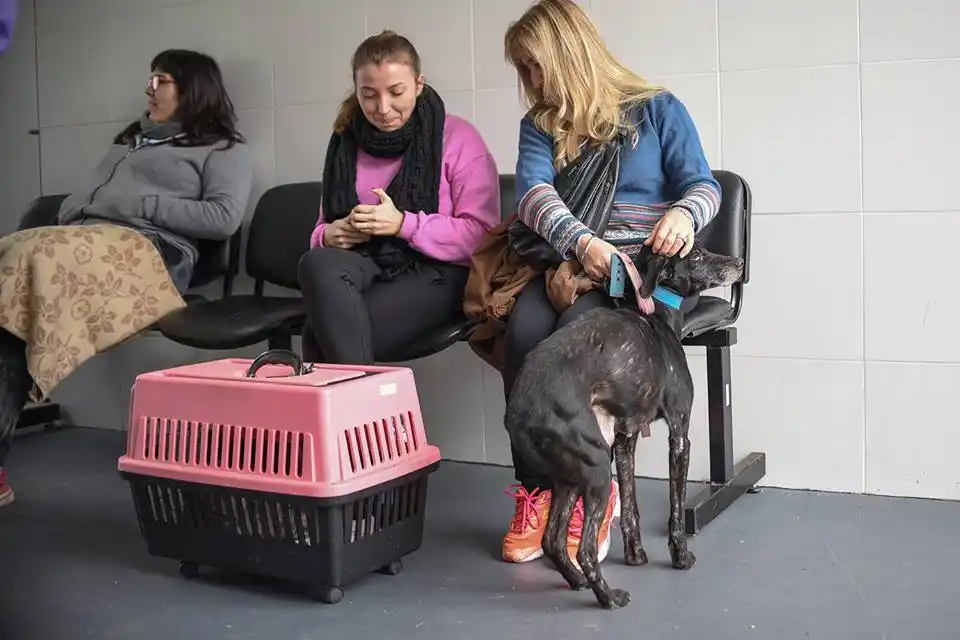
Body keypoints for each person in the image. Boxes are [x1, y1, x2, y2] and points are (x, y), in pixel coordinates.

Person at [499, 0, 722, 564]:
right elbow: (533, 197)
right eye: (521, 70)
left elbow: (704, 186)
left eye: (535, 66)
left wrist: (683, 216)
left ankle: (590, 491)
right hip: (574, 264)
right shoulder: (540, 126)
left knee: (581, 340)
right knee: (525, 337)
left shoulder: (657, 111)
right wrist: (584, 245)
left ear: (568, 55)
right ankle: (537, 491)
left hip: (644, 274)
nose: (530, 82)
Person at [0, 49, 254, 507]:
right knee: (12, 277)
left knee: (30, 258)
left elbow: (222, 218)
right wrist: (80, 207)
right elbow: (89, 201)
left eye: (161, 79)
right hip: (91, 240)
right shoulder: (130, 142)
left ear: (192, 88)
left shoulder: (224, 149)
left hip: (157, 252)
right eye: (150, 79)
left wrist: (134, 206)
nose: (149, 89)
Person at [297, 30, 500, 365]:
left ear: (418, 85)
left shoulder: (458, 138)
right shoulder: (344, 143)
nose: (383, 108)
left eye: (396, 92)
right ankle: (370, 412)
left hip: (441, 272)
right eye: (369, 95)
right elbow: (321, 231)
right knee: (317, 262)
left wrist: (403, 224)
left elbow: (482, 237)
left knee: (318, 335)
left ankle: (359, 415)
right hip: (369, 265)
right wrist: (330, 235)